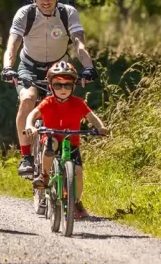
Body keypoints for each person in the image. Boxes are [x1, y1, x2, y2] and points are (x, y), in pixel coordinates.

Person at [2, 0, 96, 178]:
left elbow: (79, 43)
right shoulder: (25, 14)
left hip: (57, 66)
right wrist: (8, 67)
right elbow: (13, 44)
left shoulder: (67, 12)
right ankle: (26, 156)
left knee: (61, 105)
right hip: (29, 65)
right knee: (27, 98)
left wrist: (88, 66)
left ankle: (64, 159)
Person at [24, 61, 108, 219]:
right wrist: (30, 125)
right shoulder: (47, 102)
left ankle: (75, 201)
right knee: (51, 144)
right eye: (58, 85)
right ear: (51, 86)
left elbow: (92, 117)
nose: (63, 90)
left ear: (73, 87)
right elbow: (32, 115)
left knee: (78, 172)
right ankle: (44, 175)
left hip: (72, 143)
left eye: (67, 86)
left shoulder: (78, 103)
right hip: (52, 138)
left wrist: (100, 127)